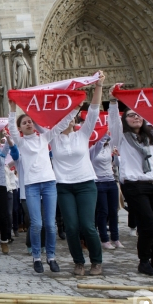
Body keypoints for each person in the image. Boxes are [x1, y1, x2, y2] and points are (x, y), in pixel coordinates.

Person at [8, 96, 77, 274]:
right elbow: (11, 129)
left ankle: (51, 257)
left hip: (48, 183)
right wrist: (13, 107)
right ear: (21, 128)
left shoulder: (44, 137)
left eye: (30, 121)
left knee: (50, 224)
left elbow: (63, 124)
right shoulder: (21, 142)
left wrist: (76, 104)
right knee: (36, 224)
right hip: (31, 185)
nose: (28, 124)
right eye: (24, 123)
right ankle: (37, 257)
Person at [49, 72, 104, 276]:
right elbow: (38, 122)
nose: (68, 120)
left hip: (86, 184)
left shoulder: (83, 134)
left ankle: (96, 261)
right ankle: (78, 262)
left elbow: (94, 111)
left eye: (70, 117)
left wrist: (98, 87)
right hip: (63, 186)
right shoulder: (53, 138)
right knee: (71, 227)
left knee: (88, 226)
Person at [109, 81, 153, 276]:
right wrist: (113, 100)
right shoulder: (120, 137)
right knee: (149, 224)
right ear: (125, 119)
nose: (136, 117)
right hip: (135, 186)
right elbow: (113, 121)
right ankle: (144, 260)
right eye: (130, 115)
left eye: (138, 114)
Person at [90, 135, 123, 250]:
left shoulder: (109, 146)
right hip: (98, 182)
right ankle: (104, 239)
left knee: (113, 211)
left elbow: (117, 164)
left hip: (111, 181)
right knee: (103, 211)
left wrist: (115, 155)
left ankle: (115, 238)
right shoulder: (93, 147)